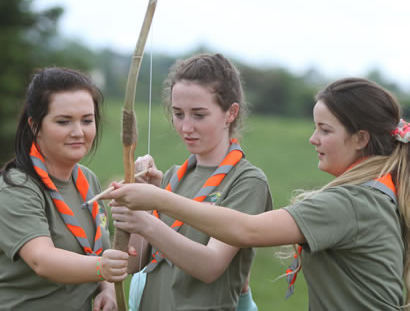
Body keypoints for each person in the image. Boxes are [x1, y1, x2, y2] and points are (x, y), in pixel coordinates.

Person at [104, 77, 410, 310]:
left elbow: (245, 230)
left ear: (360, 139)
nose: (313, 138)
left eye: (325, 130)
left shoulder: (353, 203)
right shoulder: (376, 194)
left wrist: (156, 202)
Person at [109, 53, 273, 310]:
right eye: (178, 113)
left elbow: (209, 266)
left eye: (198, 115)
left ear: (230, 113)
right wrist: (137, 206)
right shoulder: (173, 177)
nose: (186, 127)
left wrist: (148, 220)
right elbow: (133, 264)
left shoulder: (247, 181)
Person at [0, 67, 129, 310]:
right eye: (63, 121)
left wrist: (107, 289)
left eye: (87, 120)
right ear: (35, 125)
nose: (78, 132)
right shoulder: (16, 188)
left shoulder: (87, 180)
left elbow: (100, 248)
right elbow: (43, 260)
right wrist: (102, 268)